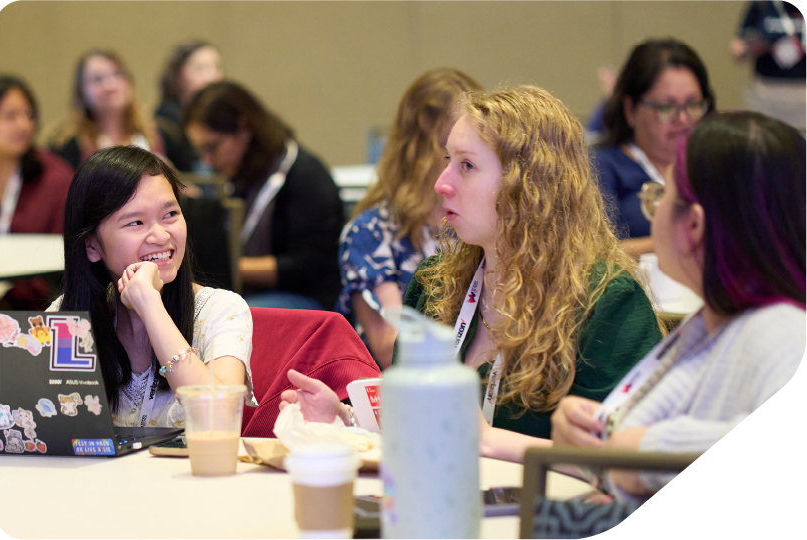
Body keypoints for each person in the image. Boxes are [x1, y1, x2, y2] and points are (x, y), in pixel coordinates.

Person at [282, 86, 663, 443]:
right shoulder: (433, 287)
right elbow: (414, 430)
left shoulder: (607, 300)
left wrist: (489, 443)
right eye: (448, 160)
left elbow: (619, 463)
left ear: (528, 185)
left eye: (466, 166)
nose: (441, 183)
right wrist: (347, 422)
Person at [546, 111, 807, 501]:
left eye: (663, 194)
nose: (654, 212)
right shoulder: (714, 321)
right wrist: (593, 443)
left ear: (695, 225)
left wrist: (645, 451)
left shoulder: (781, 328)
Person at [48, 146, 255, 427]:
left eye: (170, 214)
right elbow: (50, 427)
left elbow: (219, 417)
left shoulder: (222, 310)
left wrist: (150, 305)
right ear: (93, 246)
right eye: (136, 222)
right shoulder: (67, 318)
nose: (160, 235)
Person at [337, 68, 483, 369]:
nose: (458, 169)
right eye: (450, 152)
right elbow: (390, 348)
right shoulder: (372, 233)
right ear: (416, 151)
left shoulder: (481, 225)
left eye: (471, 159)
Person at [185, 81, 343, 311]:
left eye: (211, 147)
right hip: (255, 293)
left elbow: (306, 266)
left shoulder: (306, 177)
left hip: (307, 297)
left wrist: (225, 266)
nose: (206, 160)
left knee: (224, 315)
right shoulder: (243, 175)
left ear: (244, 129)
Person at [592, 39, 715, 258]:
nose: (683, 119)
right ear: (630, 109)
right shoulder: (601, 167)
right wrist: (684, 241)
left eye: (693, 104)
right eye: (666, 106)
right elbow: (595, 254)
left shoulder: (716, 164)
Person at [0, 75, 74, 309]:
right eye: (10, 116)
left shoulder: (56, 178)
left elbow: (64, 264)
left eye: (29, 115)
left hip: (36, 312)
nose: (24, 125)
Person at [49, 50, 163, 169]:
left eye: (117, 75)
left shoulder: (156, 136)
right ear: (81, 92)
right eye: (98, 79)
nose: (110, 85)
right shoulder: (67, 146)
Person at [731, 1, 807, 134]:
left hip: (802, 95)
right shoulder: (762, 4)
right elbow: (737, 50)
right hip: (766, 94)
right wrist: (754, 46)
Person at [155, 41, 224, 171]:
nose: (213, 76)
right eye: (201, 68)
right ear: (179, 75)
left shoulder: (222, 118)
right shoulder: (164, 122)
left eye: (217, 67)